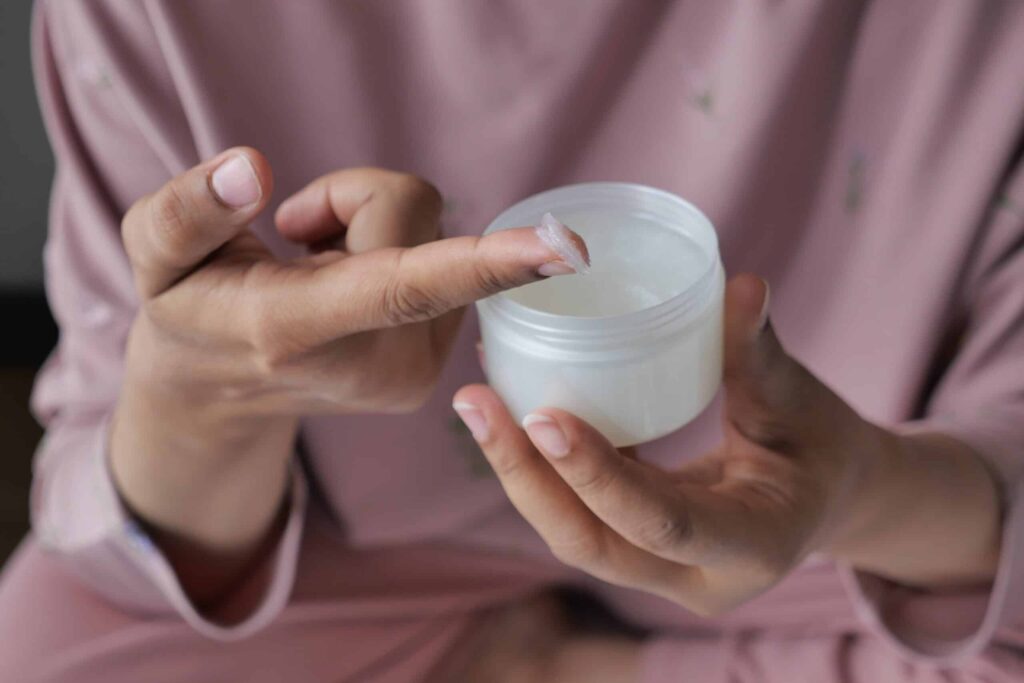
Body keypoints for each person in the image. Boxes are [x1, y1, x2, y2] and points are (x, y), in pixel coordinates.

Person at [1, 1, 1023, 681]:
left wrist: (856, 489)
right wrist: (211, 389)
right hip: (356, 568)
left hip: (842, 562)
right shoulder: (153, 15)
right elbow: (124, 557)